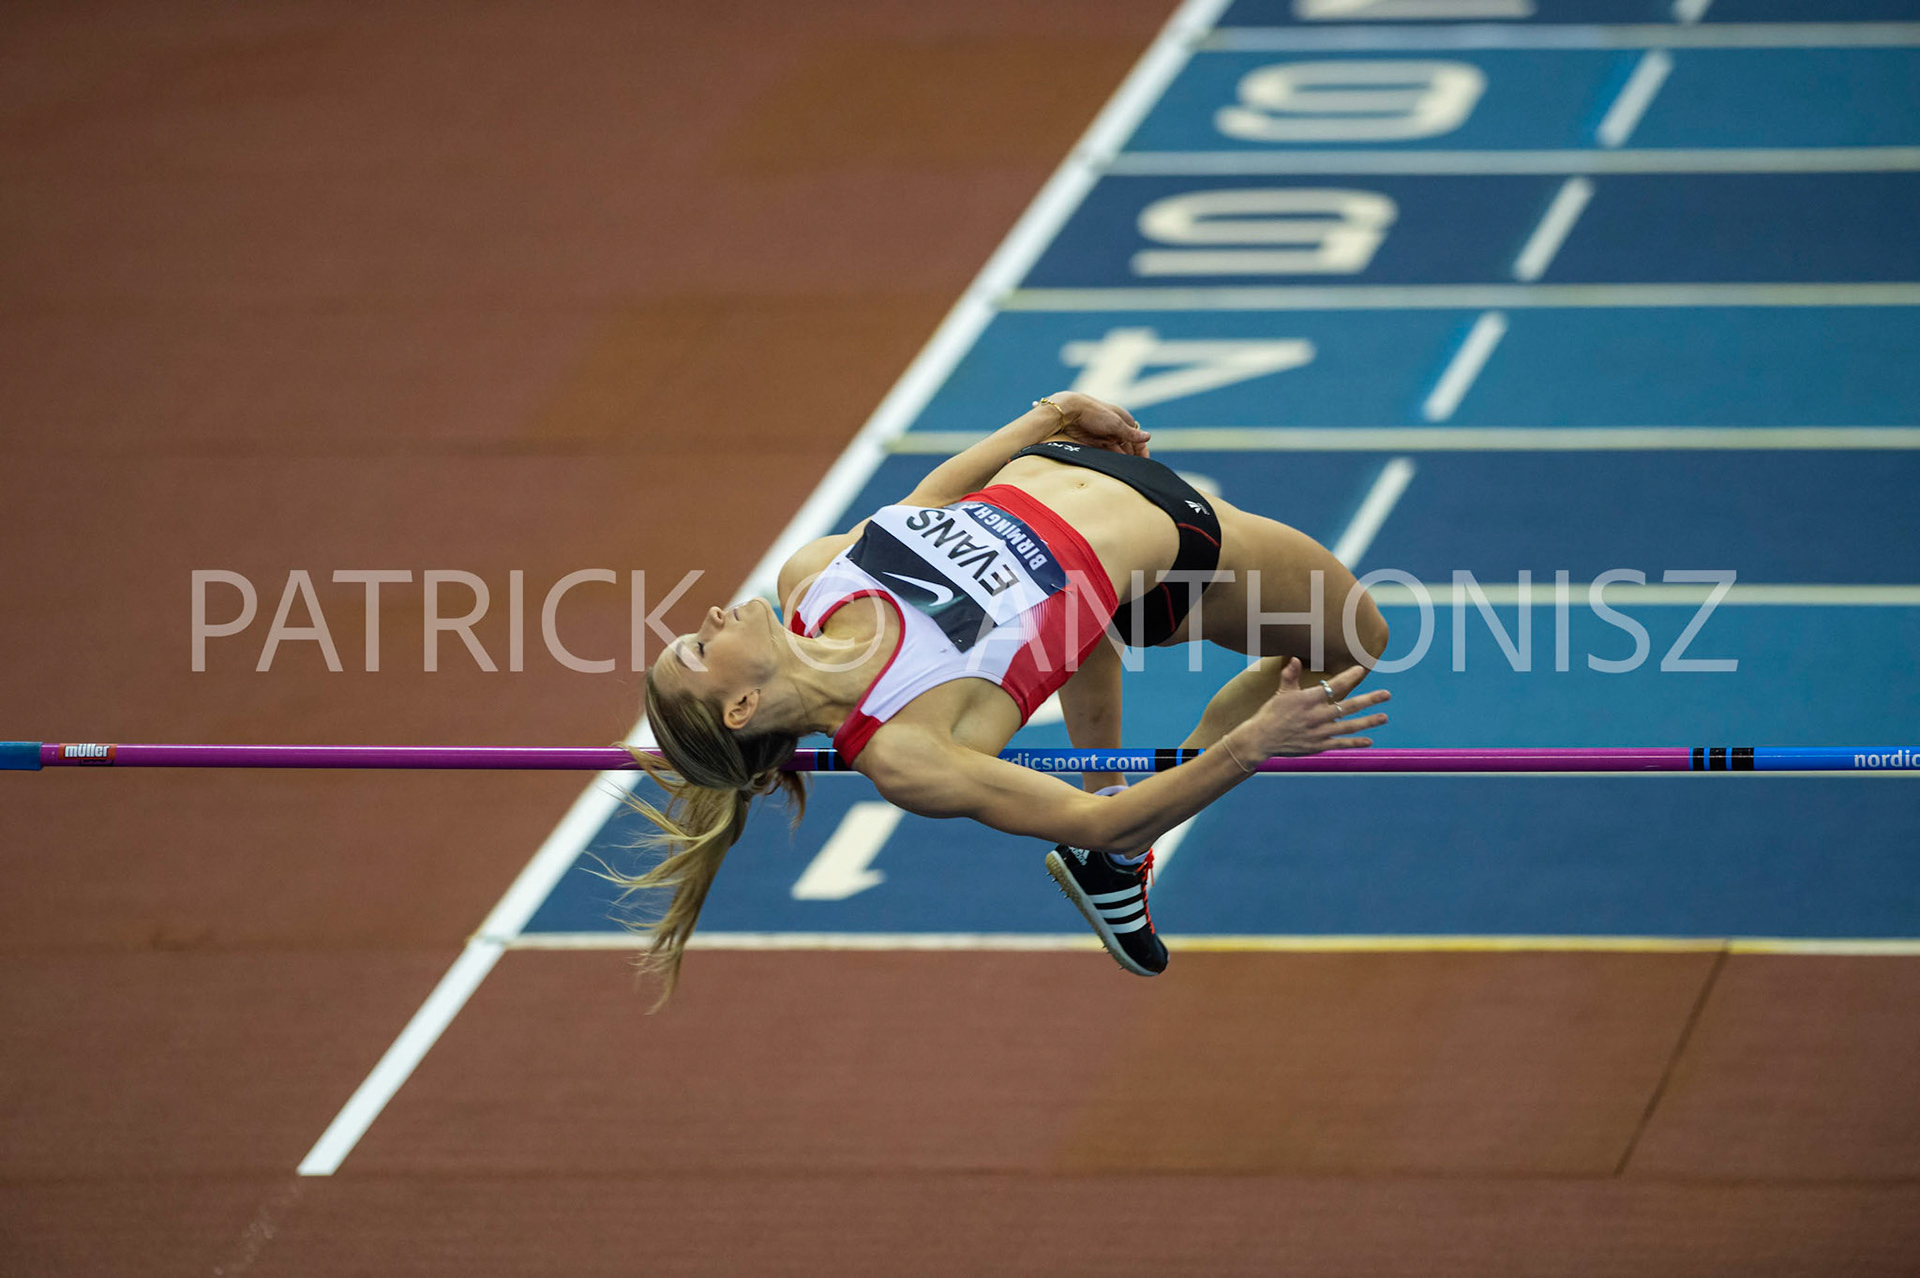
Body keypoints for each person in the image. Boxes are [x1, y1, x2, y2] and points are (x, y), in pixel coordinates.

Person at [618, 392, 1391, 1000]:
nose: (711, 618)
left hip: (1063, 469)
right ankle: (1127, 850)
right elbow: (1100, 820)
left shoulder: (812, 579)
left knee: (1065, 628)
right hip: (1184, 546)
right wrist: (1249, 748)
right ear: (740, 708)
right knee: (1359, 639)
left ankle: (1112, 870)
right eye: (697, 648)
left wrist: (1051, 416)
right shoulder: (905, 751)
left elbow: (930, 501)